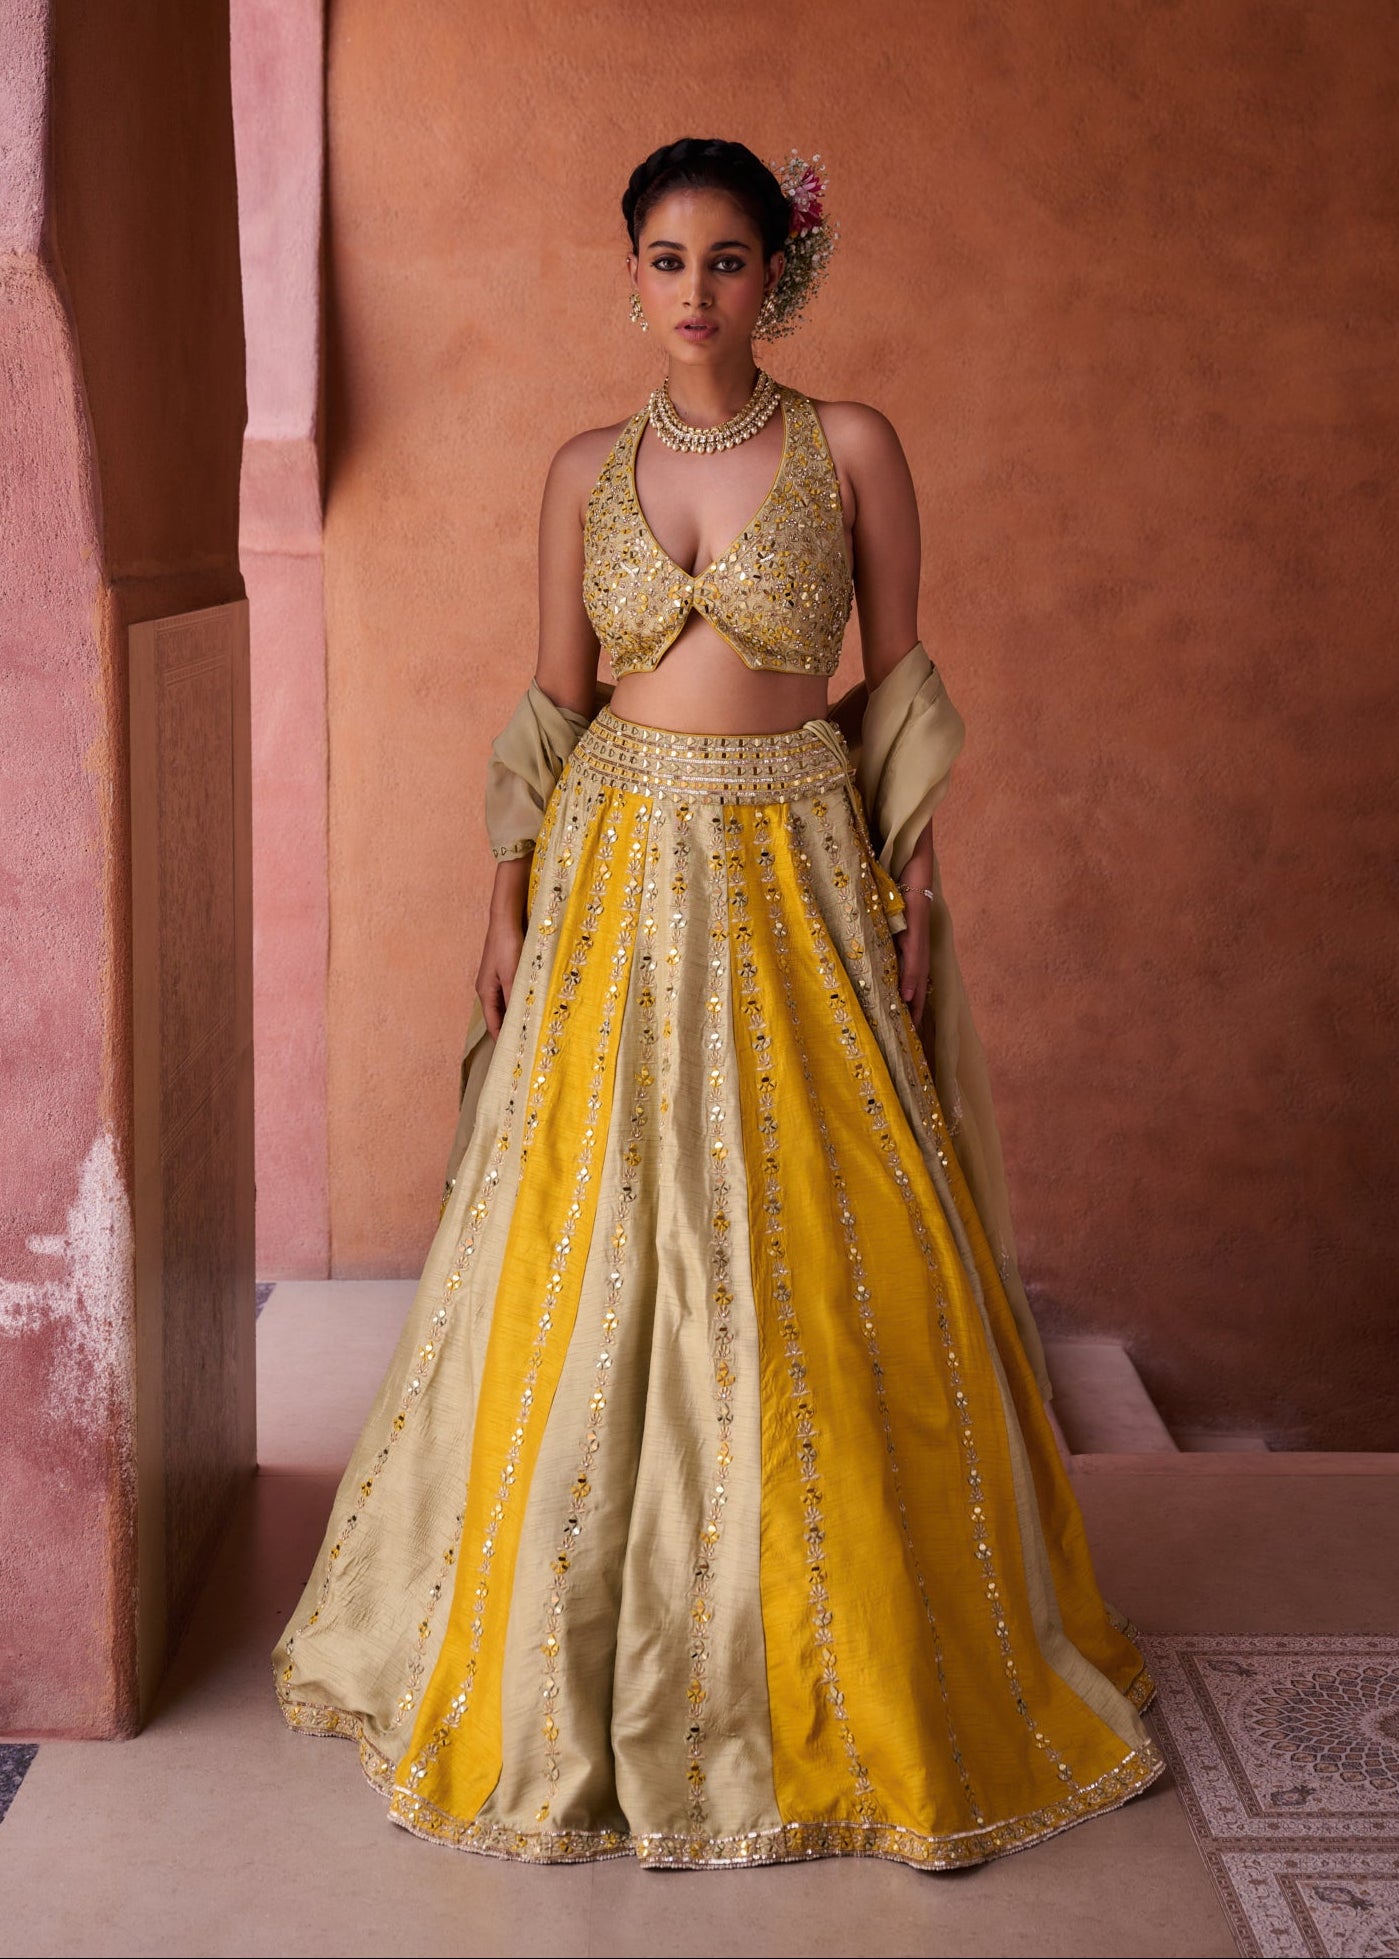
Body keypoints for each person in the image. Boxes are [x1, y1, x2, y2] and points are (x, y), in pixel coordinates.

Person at [273, 136, 1162, 1869]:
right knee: (597, 1245)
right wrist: (504, 893)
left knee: (811, 1248)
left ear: (782, 273)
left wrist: (920, 890)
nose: (696, 294)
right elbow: (552, 692)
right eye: (667, 262)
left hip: (796, 870)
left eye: (730, 261)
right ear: (629, 275)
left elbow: (895, 680)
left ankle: (841, 1667)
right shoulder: (579, 470)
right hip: (613, 869)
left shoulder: (850, 450)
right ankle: (578, 1665)